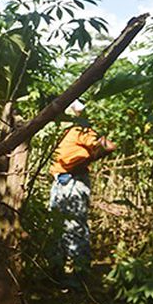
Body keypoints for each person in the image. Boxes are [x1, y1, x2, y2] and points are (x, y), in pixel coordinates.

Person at [47, 101, 115, 279]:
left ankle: (80, 275)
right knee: (57, 225)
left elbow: (108, 146)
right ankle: (56, 272)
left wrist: (81, 164)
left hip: (74, 181)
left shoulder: (80, 129)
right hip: (61, 181)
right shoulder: (64, 131)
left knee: (75, 226)